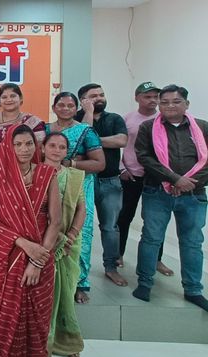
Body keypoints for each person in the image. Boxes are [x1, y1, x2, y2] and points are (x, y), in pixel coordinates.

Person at [0, 124, 61, 357]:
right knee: (8, 326)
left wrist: (38, 260)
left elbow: (55, 221)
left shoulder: (46, 175)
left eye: (29, 144)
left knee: (37, 326)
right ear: (8, 147)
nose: (25, 149)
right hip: (10, 257)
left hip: (42, 257)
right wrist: (24, 245)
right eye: (18, 144)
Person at [134, 84, 208, 312]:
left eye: (176, 101)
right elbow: (145, 157)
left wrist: (187, 183)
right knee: (151, 238)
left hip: (194, 194)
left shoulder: (202, 127)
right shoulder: (148, 127)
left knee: (192, 242)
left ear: (187, 104)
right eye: (164, 102)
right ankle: (144, 283)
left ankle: (193, 289)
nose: (169, 106)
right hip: (157, 192)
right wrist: (174, 179)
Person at [46, 92, 105, 303]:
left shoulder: (86, 131)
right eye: (61, 105)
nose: (65, 109)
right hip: (49, 182)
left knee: (81, 231)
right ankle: (50, 279)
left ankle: (79, 282)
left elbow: (99, 163)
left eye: (70, 105)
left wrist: (70, 164)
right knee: (49, 227)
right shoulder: (45, 130)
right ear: (54, 107)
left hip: (78, 184)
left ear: (76, 108)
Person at [76, 83, 129, 287]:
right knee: (82, 228)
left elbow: (121, 141)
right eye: (93, 96)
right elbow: (81, 137)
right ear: (83, 100)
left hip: (110, 181)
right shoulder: (75, 118)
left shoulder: (114, 118)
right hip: (83, 180)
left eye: (101, 94)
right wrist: (88, 113)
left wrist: (94, 141)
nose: (99, 98)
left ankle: (111, 267)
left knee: (110, 227)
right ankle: (80, 273)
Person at [119, 82, 173, 275]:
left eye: (155, 97)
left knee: (156, 221)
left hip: (157, 178)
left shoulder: (164, 120)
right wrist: (121, 169)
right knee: (124, 217)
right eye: (147, 96)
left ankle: (156, 260)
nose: (152, 100)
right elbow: (119, 146)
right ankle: (118, 254)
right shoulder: (127, 119)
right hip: (131, 176)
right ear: (137, 98)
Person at [42, 132, 86, 357]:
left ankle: (65, 340)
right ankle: (41, 342)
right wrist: (55, 236)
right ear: (43, 148)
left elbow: (81, 208)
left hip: (68, 242)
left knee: (65, 292)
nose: (56, 150)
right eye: (52, 145)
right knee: (43, 293)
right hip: (42, 240)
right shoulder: (34, 173)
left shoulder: (74, 176)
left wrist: (71, 235)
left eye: (61, 147)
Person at [0, 83, 46, 149]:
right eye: (4, 97)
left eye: (13, 96)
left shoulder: (32, 122)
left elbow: (38, 148)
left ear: (21, 98)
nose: (9, 100)